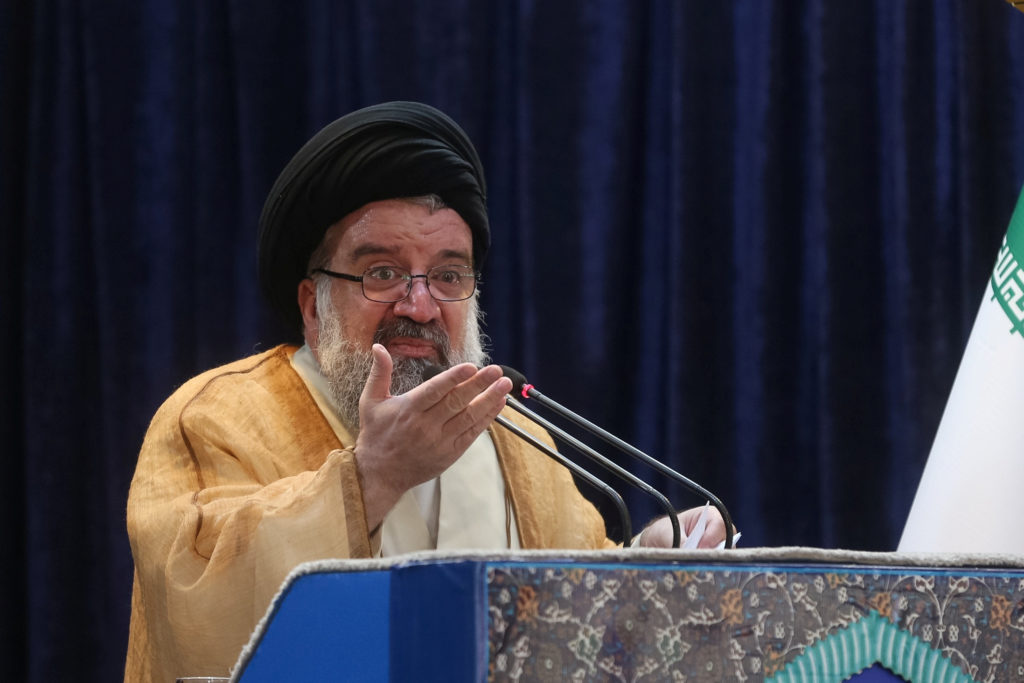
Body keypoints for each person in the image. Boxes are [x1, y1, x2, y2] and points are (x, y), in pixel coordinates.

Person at [124, 101, 729, 682]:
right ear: (312, 306)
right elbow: (194, 610)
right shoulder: (216, 419)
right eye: (383, 273)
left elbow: (572, 610)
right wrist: (370, 479)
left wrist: (646, 561)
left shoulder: (519, 439)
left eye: (447, 275)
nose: (420, 305)